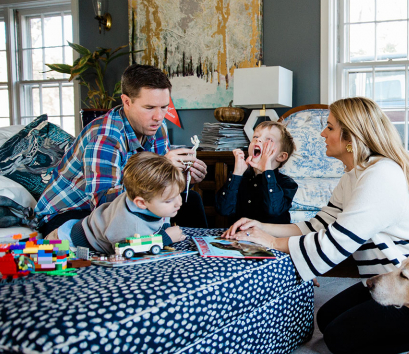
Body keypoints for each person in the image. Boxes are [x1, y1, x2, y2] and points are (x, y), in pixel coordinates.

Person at [223, 97, 409, 354]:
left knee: (339, 340)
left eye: (329, 127)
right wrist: (262, 227)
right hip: (387, 280)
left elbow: (335, 244)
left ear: (350, 137)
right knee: (326, 318)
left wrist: (271, 243)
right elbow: (318, 225)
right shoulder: (354, 174)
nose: (322, 133)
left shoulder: (381, 176)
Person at [35, 64, 208, 235]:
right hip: (68, 215)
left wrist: (185, 177)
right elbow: (103, 204)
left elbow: (160, 188)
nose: (159, 116)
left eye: (164, 107)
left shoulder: (158, 127)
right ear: (127, 102)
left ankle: (203, 252)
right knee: (120, 223)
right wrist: (163, 164)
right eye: (149, 108)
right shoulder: (104, 136)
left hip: (119, 206)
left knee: (191, 200)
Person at [48, 152, 186, 253]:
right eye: (169, 200)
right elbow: (125, 248)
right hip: (67, 242)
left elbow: (161, 218)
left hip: (78, 226)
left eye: (178, 194)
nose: (178, 203)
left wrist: (165, 226)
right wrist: (165, 238)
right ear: (142, 203)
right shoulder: (129, 224)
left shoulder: (146, 199)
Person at [216, 121, 298, 224]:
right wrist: (237, 174)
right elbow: (223, 210)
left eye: (268, 139)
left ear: (281, 156)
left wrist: (266, 171)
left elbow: (273, 210)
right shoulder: (241, 178)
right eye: (255, 137)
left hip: (270, 238)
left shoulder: (288, 184)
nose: (258, 140)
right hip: (239, 237)